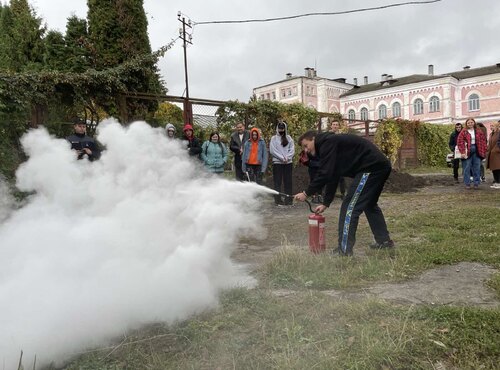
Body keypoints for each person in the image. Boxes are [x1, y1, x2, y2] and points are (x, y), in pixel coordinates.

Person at [294, 130, 393, 256]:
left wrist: (306, 193)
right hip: (379, 166)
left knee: (349, 207)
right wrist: (326, 203)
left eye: (305, 145)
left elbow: (325, 173)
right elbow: (333, 175)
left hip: (371, 168)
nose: (306, 150)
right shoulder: (329, 145)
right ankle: (384, 241)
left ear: (313, 139)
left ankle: (344, 250)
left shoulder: (327, 143)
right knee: (369, 204)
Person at [456, 118, 487, 190]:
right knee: (467, 167)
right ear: (466, 124)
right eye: (468, 123)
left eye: (471, 122)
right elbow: (459, 142)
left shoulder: (478, 131)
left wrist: (484, 151)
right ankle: (467, 183)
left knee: (477, 167)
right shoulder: (464, 131)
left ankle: (476, 183)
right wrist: (463, 152)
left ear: (474, 123)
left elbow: (483, 141)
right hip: (467, 150)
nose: (470, 124)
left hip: (477, 150)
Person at [269, 121, 295, 205]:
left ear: (285, 129)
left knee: (288, 181)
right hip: (277, 163)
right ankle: (278, 200)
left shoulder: (289, 138)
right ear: (277, 128)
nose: (281, 130)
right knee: (277, 182)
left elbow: (292, 149)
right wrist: (281, 158)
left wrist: (287, 157)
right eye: (280, 128)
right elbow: (272, 150)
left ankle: (289, 200)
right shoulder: (273, 138)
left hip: (288, 163)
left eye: (282, 128)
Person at [330, 119, 346, 199]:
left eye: (337, 125)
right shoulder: (328, 135)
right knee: (331, 177)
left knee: (341, 177)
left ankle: (343, 193)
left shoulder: (341, 136)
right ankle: (331, 194)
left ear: (338, 126)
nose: (335, 126)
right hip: (331, 159)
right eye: (334, 124)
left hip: (340, 158)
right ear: (331, 126)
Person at [486, 120, 500, 188]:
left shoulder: (499, 133)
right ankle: (496, 182)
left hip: (497, 154)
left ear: (497, 126)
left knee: (498, 168)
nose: (491, 127)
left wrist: (496, 149)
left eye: (492, 126)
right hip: (491, 154)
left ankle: (499, 182)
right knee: (494, 169)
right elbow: (490, 144)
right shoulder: (491, 134)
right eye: (490, 126)